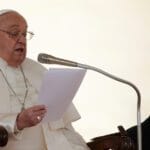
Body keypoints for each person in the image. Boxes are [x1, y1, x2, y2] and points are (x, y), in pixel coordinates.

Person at [0, 9, 90, 150]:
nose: (22, 40)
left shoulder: (36, 69)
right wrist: (17, 122)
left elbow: (63, 127)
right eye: (14, 33)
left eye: (24, 34)